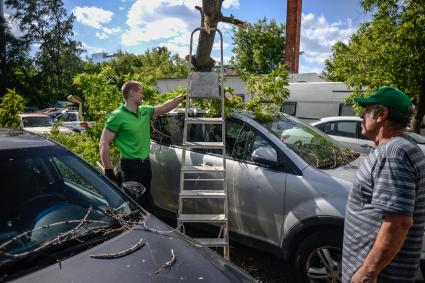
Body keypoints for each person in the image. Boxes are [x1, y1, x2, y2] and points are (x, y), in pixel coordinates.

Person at [342, 86, 425, 283]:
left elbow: (398, 223)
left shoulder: (393, 153)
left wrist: (368, 272)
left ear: (381, 114)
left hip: (379, 276)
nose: (362, 115)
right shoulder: (395, 148)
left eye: (366, 110)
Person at [99, 80, 185, 212]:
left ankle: (149, 226)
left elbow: (164, 107)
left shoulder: (144, 111)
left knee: (146, 201)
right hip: (130, 167)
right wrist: (109, 172)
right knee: (132, 204)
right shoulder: (117, 116)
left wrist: (183, 97)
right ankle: (131, 229)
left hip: (145, 164)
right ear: (132, 93)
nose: (142, 95)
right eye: (141, 92)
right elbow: (104, 144)